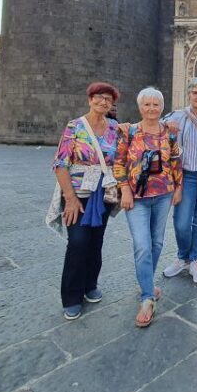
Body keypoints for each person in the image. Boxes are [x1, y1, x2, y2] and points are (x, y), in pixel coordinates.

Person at [51, 82, 121, 321]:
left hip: (103, 195)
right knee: (78, 242)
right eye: (99, 97)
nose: (103, 102)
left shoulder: (114, 128)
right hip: (78, 195)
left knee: (95, 240)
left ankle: (90, 284)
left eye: (108, 100)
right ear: (90, 99)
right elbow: (60, 164)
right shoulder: (75, 127)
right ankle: (71, 296)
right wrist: (69, 198)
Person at [114, 87, 182, 328]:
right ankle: (147, 298)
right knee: (142, 246)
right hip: (136, 198)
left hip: (163, 194)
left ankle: (146, 282)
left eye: (156, 105)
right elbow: (119, 162)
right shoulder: (129, 131)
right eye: (147, 105)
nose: (151, 108)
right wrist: (124, 190)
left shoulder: (170, 132)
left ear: (162, 108)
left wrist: (178, 188)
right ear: (140, 107)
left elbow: (175, 160)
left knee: (157, 243)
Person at [161, 77, 197, 284]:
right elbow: (153, 127)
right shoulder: (177, 116)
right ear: (189, 94)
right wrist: (166, 125)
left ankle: (195, 260)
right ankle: (182, 257)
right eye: (196, 93)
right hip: (185, 175)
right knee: (181, 221)